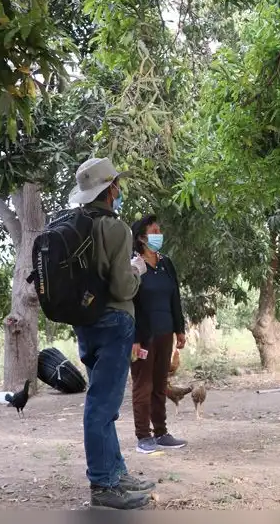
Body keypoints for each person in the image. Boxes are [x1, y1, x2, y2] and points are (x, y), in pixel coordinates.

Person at [67, 157, 155, 510]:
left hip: (85, 322)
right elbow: (121, 288)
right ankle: (103, 485)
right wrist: (138, 270)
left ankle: (116, 472)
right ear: (110, 190)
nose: (119, 191)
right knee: (102, 406)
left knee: (103, 405)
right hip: (114, 322)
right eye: (116, 185)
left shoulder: (73, 225)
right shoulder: (114, 229)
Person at [129, 213, 188, 454]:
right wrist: (133, 338)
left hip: (165, 333)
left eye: (159, 230)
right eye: (154, 232)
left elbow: (175, 296)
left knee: (160, 385)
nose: (158, 235)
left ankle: (161, 432)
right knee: (143, 385)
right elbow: (128, 303)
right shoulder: (134, 267)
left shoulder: (166, 264)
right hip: (143, 336)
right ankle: (144, 436)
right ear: (142, 238)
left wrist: (180, 329)